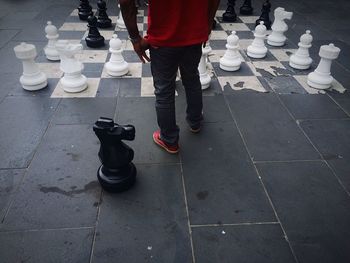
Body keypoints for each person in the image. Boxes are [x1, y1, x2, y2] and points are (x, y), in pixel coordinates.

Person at [119, 0, 220, 154]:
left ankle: (169, 140)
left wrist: (135, 38)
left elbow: (126, 2)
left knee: (164, 91)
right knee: (192, 79)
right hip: (194, 34)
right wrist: (206, 26)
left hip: (162, 39)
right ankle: (195, 122)